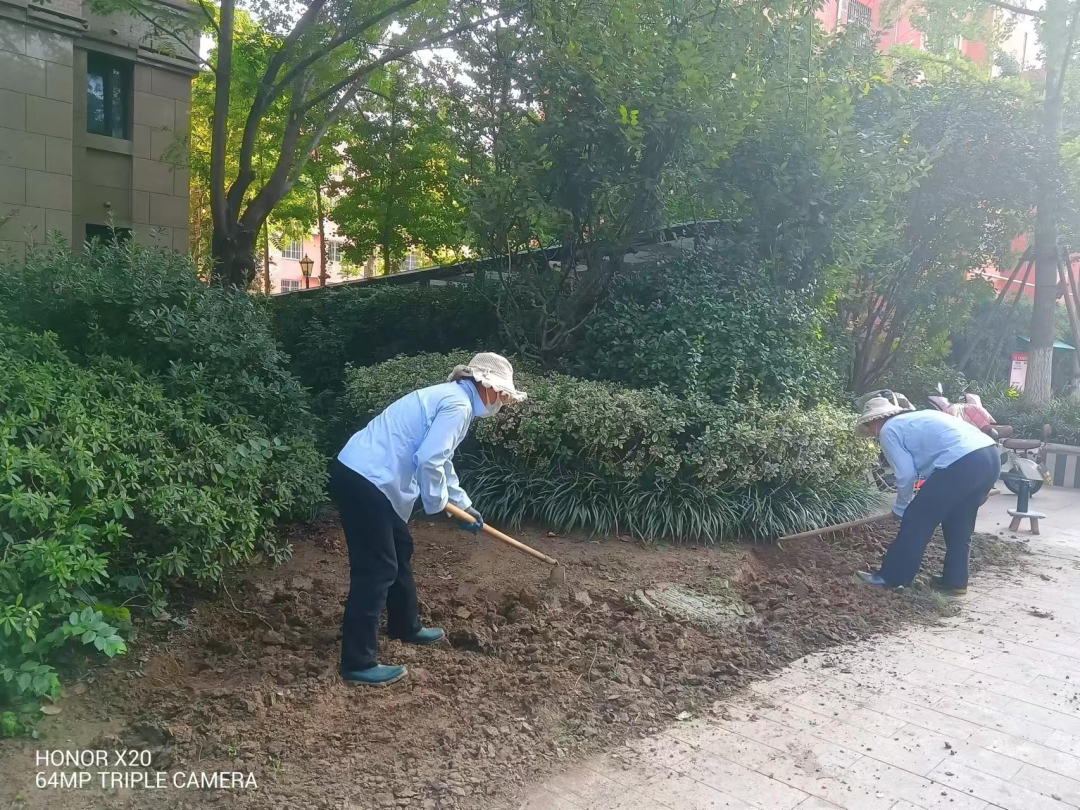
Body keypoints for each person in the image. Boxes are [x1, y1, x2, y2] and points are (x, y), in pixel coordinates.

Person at [331, 353, 527, 685]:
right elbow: (429, 460)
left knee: (400, 548)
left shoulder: (454, 398)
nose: (502, 402)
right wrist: (440, 506)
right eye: (502, 394)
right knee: (377, 568)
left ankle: (404, 625)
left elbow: (441, 459)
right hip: (365, 478)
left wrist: (462, 504)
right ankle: (358, 662)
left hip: (367, 476)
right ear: (487, 385)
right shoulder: (458, 405)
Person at [854, 396, 999, 596]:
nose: (871, 433)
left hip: (962, 462)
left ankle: (892, 578)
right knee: (959, 522)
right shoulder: (918, 418)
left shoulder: (888, 430)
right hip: (990, 456)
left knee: (916, 520)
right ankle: (955, 581)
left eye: (869, 427)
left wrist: (902, 508)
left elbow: (906, 475)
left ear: (875, 421)